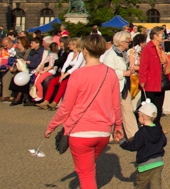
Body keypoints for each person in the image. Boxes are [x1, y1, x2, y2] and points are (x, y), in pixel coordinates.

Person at [44, 35, 123, 189]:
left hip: (80, 131)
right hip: (103, 132)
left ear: (85, 51)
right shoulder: (110, 73)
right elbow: (116, 105)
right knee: (87, 168)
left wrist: (51, 126)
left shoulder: (78, 74)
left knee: (86, 174)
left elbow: (66, 107)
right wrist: (118, 126)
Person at [119, 100, 166, 189]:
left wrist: (122, 142)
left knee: (141, 185)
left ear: (143, 117)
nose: (138, 118)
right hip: (158, 162)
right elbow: (164, 142)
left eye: (139, 116)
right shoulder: (159, 129)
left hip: (145, 164)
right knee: (156, 185)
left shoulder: (142, 132)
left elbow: (134, 146)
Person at [104, 31, 139, 140]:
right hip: (114, 87)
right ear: (121, 42)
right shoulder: (110, 55)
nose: (129, 43)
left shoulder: (124, 53)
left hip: (124, 86)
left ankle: (133, 135)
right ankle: (108, 135)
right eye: (127, 41)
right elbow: (108, 72)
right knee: (112, 111)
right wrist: (124, 73)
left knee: (128, 109)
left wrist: (130, 70)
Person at [39, 37, 85, 109]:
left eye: (70, 44)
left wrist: (64, 75)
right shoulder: (71, 54)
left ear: (75, 45)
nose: (68, 46)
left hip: (76, 74)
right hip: (67, 73)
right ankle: (46, 101)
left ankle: (55, 102)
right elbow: (66, 64)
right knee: (53, 82)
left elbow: (76, 66)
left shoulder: (81, 54)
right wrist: (62, 74)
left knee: (63, 83)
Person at [139, 27, 170, 121]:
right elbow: (143, 66)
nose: (163, 37)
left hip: (160, 81)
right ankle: (146, 126)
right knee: (148, 107)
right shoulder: (148, 48)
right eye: (161, 35)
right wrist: (142, 80)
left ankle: (156, 126)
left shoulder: (160, 48)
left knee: (158, 107)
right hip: (150, 82)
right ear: (155, 36)